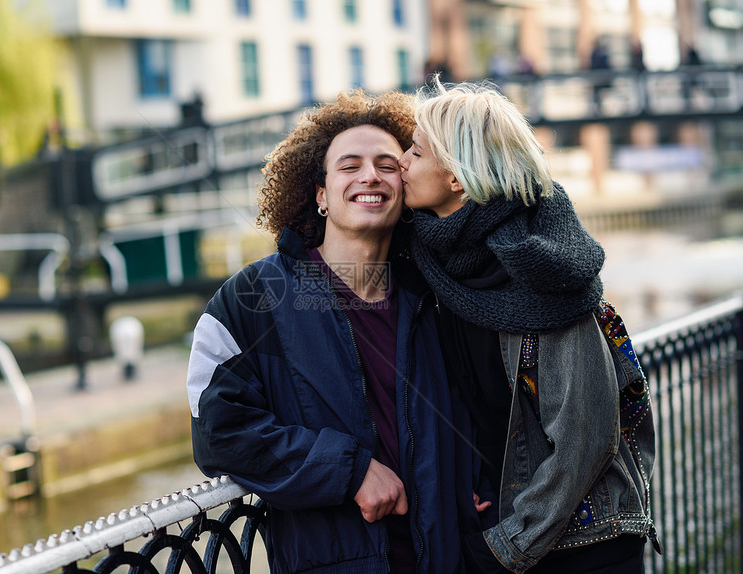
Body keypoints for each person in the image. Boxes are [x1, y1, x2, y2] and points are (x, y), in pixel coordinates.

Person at [186, 90, 476, 573]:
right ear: (320, 194)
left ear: (404, 192)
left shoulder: (436, 296)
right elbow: (216, 428)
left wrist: (478, 481)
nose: (370, 175)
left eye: (388, 164)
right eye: (349, 165)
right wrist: (350, 470)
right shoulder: (252, 297)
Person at [398, 78, 658, 573]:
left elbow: (587, 435)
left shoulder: (543, 271)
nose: (401, 162)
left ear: (456, 176)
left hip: (583, 542)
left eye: (414, 150)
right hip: (508, 524)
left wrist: (507, 543)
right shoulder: (433, 260)